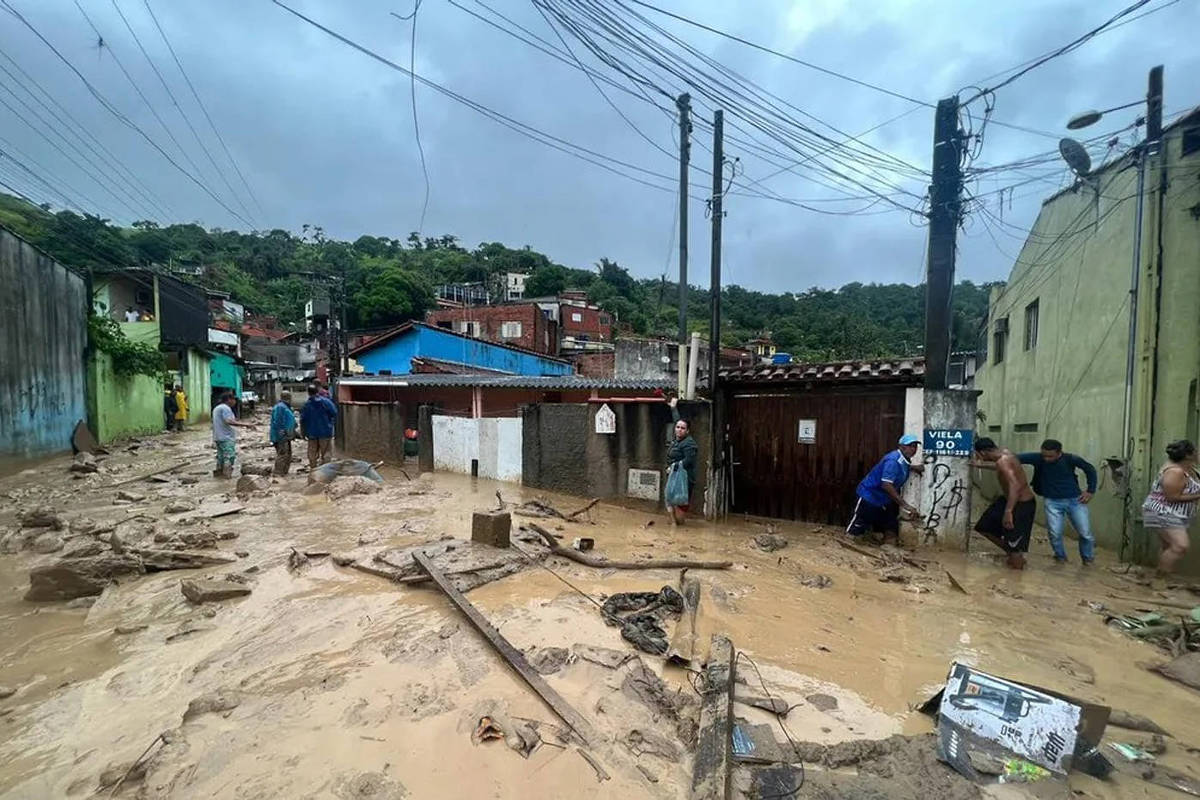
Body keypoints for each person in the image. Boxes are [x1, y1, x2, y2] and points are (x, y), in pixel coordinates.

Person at [1018, 439, 1098, 564]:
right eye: (1044, 455)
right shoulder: (1038, 458)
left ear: (1059, 452)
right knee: (1055, 533)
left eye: (1050, 456)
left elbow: (1090, 470)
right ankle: (1061, 558)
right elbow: (1013, 458)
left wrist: (1090, 490)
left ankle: (1087, 559)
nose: (1046, 459)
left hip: (1075, 501)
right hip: (1052, 501)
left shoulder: (1071, 459)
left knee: (1085, 533)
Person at [972, 437, 1037, 569]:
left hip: (1021, 503)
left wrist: (1008, 511)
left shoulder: (1003, 462)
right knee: (984, 527)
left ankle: (1016, 576)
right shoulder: (1004, 455)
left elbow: (1015, 486)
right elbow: (1001, 468)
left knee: (1015, 546)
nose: (977, 457)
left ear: (983, 453)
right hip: (1007, 499)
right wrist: (979, 465)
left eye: (977, 455)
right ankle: (1011, 552)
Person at [846, 435, 924, 543]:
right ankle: (850, 541)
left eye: (915, 446)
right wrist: (905, 505)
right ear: (901, 447)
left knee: (888, 523)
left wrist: (914, 467)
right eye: (909, 446)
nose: (913, 449)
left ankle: (875, 538)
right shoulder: (893, 460)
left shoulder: (903, 459)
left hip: (881, 498)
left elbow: (902, 466)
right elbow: (886, 484)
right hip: (869, 495)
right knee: (858, 525)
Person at [1142, 439, 1200, 577]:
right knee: (1180, 546)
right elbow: (1172, 497)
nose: (1198, 454)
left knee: (1168, 546)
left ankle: (1161, 578)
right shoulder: (1175, 471)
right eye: (1196, 451)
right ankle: (1159, 579)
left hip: (1168, 512)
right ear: (1188, 455)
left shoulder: (1187, 467)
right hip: (1161, 511)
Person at [665, 396, 696, 525]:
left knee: (680, 506)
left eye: (682, 428)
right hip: (673, 475)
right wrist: (673, 407)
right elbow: (677, 420)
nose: (679, 429)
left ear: (687, 431)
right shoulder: (677, 438)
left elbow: (689, 460)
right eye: (677, 427)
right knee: (669, 499)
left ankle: (678, 526)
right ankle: (674, 525)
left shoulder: (689, 443)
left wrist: (673, 467)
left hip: (684, 478)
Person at [212, 392, 253, 478]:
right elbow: (228, 421)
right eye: (234, 399)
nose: (235, 402)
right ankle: (227, 477)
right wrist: (246, 425)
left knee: (221, 458)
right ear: (229, 400)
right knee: (229, 457)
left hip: (218, 436)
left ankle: (219, 477)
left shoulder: (217, 408)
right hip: (226, 437)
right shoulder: (225, 408)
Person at [300, 384, 338, 469]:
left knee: (312, 453)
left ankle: (313, 470)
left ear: (308, 393)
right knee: (326, 452)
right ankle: (325, 471)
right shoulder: (326, 402)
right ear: (317, 392)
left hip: (311, 433)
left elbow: (302, 419)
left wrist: (303, 433)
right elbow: (334, 412)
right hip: (325, 431)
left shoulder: (306, 405)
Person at [270, 392, 297, 476]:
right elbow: (278, 422)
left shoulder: (284, 407)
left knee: (287, 455)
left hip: (286, 435)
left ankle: (284, 473)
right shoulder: (281, 407)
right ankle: (278, 473)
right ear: (289, 398)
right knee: (282, 454)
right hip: (281, 436)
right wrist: (282, 434)